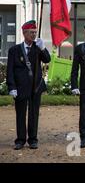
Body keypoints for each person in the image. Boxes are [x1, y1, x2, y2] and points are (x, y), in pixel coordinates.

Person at [6, 20, 51, 150]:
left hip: (35, 87)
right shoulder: (14, 50)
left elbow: (47, 59)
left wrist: (43, 48)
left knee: (33, 114)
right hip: (20, 88)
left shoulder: (37, 48)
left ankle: (33, 139)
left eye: (35, 32)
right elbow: (10, 71)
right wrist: (11, 87)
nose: (34, 35)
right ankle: (20, 140)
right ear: (24, 33)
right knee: (20, 114)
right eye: (31, 32)